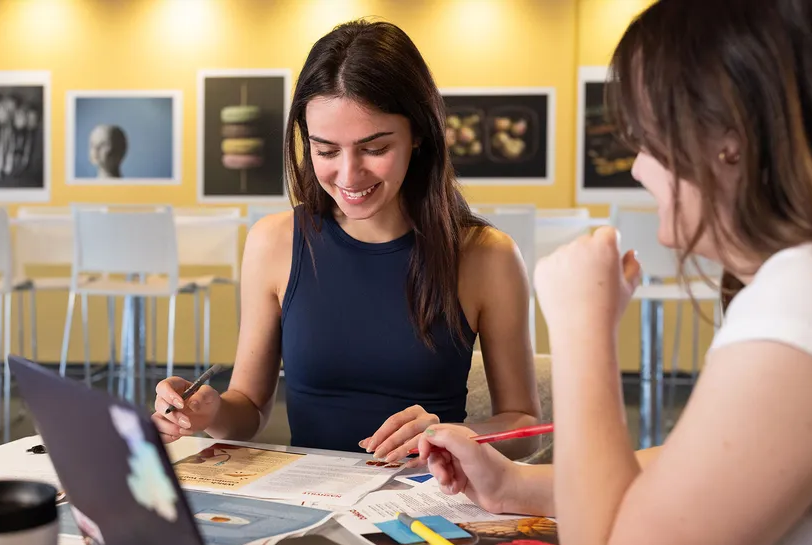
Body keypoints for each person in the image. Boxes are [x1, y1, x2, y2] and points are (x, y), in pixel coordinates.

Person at [417, 1, 812, 545]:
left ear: (730, 140)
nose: (639, 165)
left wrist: (583, 326)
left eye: (650, 137)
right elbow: (701, 465)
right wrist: (516, 482)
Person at [152, 20, 541, 463]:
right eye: (326, 150)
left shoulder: (486, 256)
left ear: (418, 135)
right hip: (309, 497)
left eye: (374, 149)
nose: (349, 175)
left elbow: (524, 425)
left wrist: (454, 434)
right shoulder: (274, 242)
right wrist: (210, 412)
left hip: (430, 498)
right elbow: (251, 408)